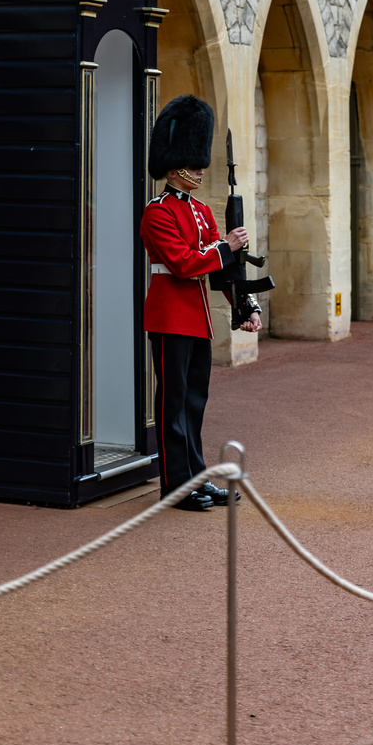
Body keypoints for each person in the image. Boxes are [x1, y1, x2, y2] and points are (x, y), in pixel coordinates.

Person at [141, 95, 262, 511]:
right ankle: (175, 487)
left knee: (194, 404)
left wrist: (246, 306)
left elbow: (219, 271)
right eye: (194, 166)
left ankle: (195, 477)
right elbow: (182, 264)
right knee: (172, 405)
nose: (200, 171)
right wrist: (225, 246)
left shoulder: (200, 211)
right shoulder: (156, 213)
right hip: (170, 317)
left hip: (196, 319)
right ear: (174, 167)